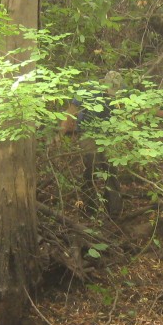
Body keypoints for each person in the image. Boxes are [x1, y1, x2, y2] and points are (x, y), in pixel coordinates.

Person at [59, 71, 123, 216]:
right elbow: (71, 111)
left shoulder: (122, 92)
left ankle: (114, 210)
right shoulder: (88, 90)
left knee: (111, 170)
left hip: (109, 134)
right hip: (88, 132)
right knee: (90, 168)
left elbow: (139, 107)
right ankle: (90, 209)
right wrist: (61, 133)